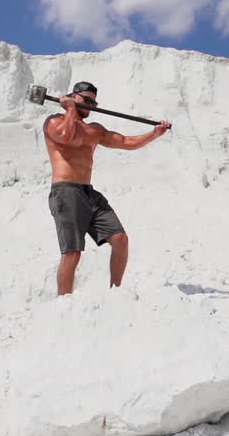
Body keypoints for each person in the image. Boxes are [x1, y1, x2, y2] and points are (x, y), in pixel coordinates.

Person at [42, 81, 170, 295]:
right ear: (73, 97)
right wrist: (71, 110)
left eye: (94, 102)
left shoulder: (95, 130)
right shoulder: (53, 122)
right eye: (87, 100)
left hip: (88, 193)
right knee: (72, 253)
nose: (91, 105)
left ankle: (115, 294)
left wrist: (154, 134)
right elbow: (65, 136)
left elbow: (126, 141)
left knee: (120, 239)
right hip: (65, 191)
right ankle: (63, 305)